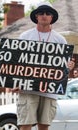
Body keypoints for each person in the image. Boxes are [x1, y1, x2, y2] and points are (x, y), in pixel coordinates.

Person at [11, 2, 75, 130]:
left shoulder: (60, 40)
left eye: (48, 13)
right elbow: (15, 63)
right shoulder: (25, 37)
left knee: (44, 126)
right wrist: (14, 82)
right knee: (25, 125)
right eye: (41, 13)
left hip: (49, 91)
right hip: (27, 88)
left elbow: (63, 68)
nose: (44, 15)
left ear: (52, 17)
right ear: (36, 16)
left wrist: (69, 67)